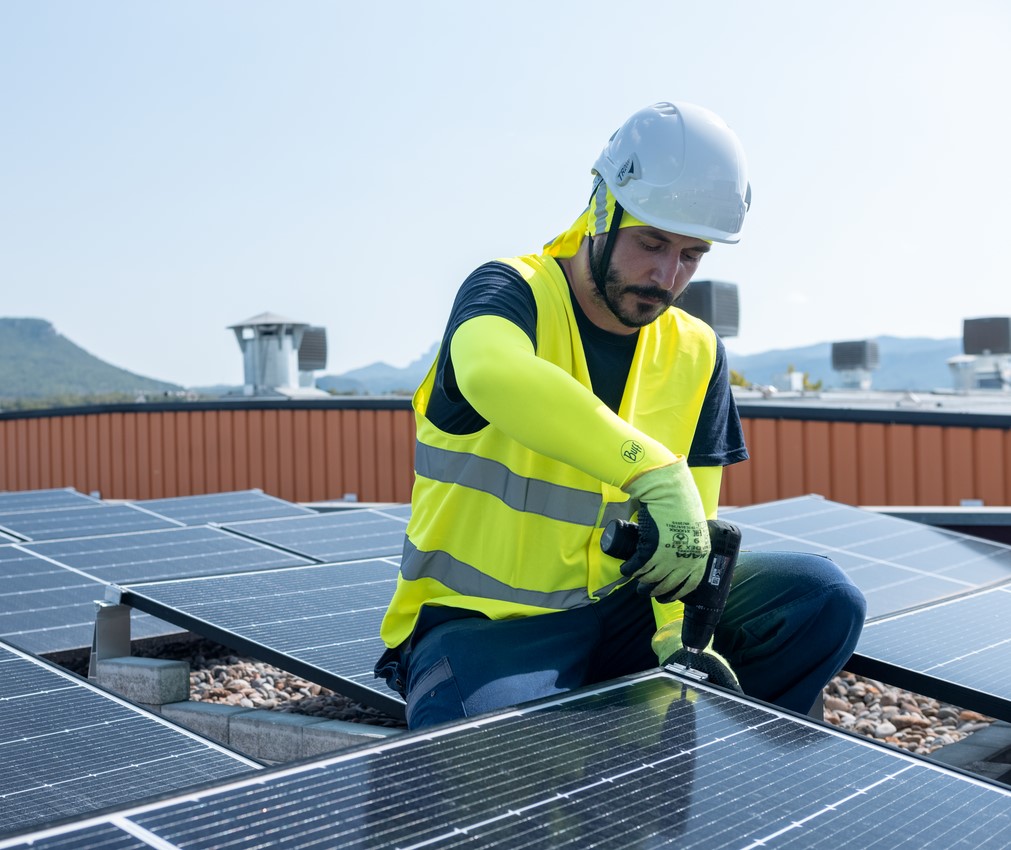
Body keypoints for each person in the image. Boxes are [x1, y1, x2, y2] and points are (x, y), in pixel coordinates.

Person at [375, 101, 866, 730]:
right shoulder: (509, 292)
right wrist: (652, 470)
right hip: (489, 626)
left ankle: (697, 759)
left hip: (621, 612)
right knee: (490, 756)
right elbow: (491, 374)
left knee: (821, 598)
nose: (666, 276)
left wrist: (677, 635)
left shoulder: (696, 350)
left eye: (692, 255)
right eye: (651, 242)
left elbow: (695, 530)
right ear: (600, 209)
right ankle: (601, 747)